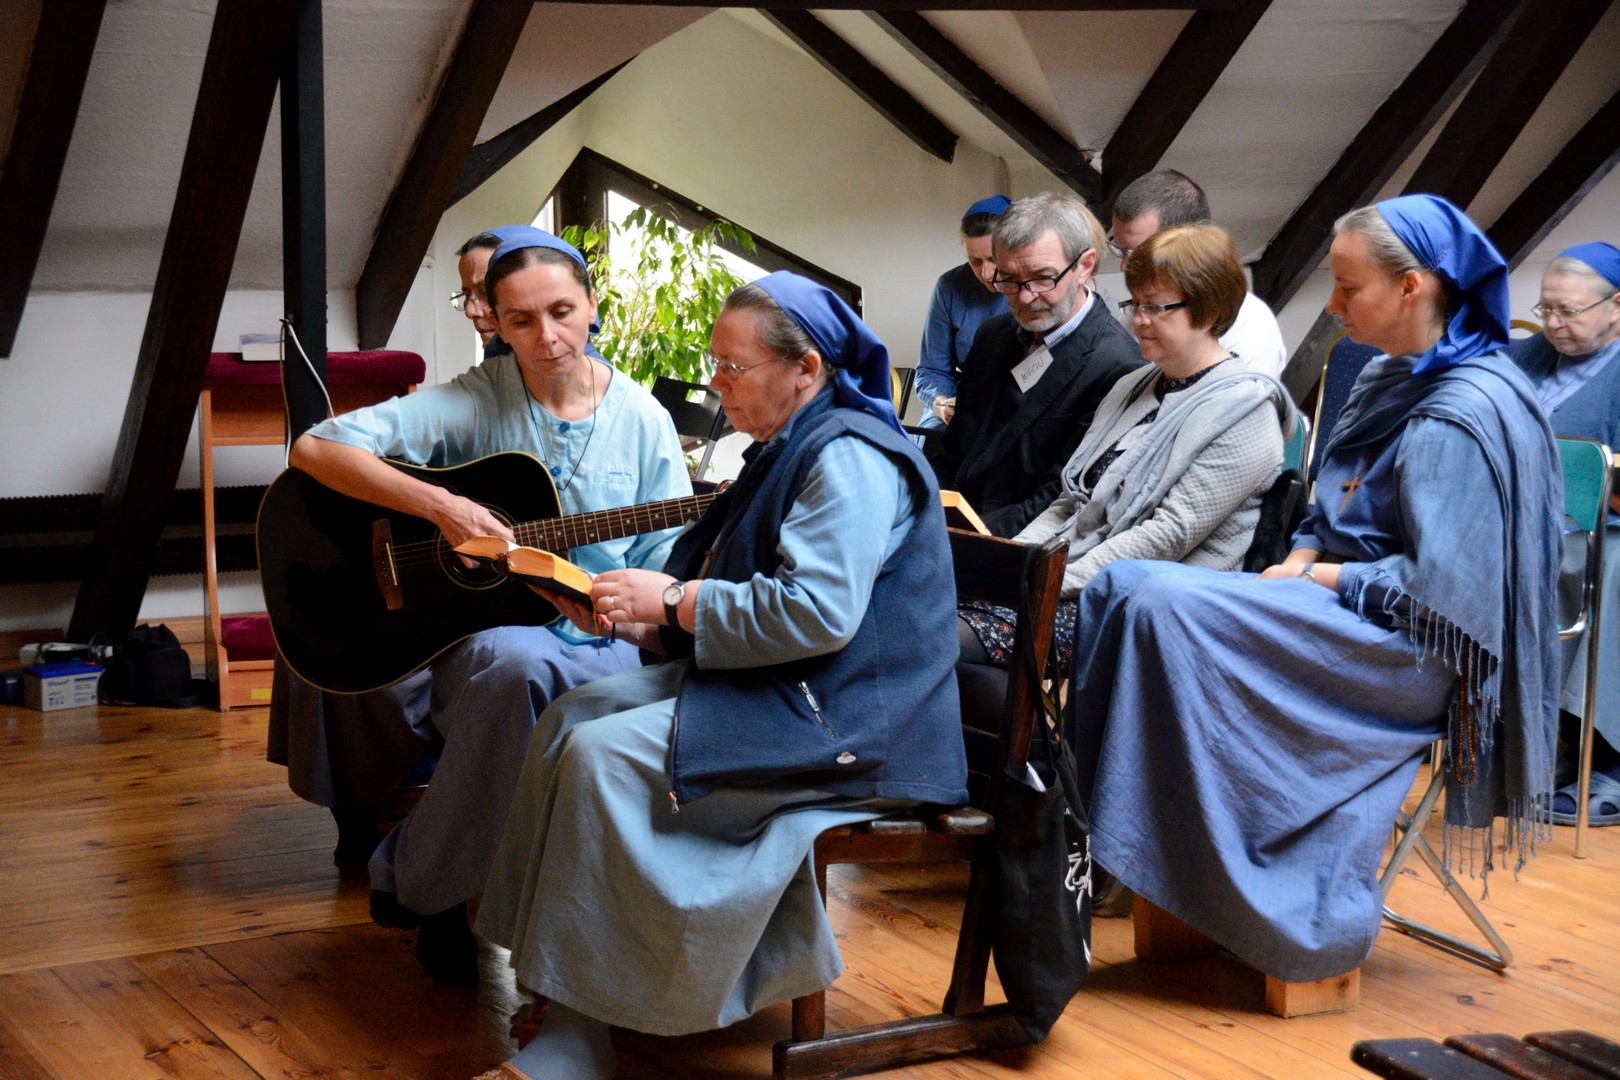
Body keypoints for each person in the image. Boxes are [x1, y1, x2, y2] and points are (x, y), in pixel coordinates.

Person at [471, 272, 964, 1080]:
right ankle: (555, 985)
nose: (715, 382)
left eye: (733, 367)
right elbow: (743, 601)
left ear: (805, 368)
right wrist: (630, 618)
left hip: (858, 723)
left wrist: (671, 600)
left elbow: (816, 613)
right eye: (716, 363)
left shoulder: (850, 458)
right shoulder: (786, 447)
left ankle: (584, 1032)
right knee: (571, 718)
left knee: (603, 757)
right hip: (800, 690)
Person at [1066, 194, 1560, 982]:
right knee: (1120, 590)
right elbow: (1329, 509)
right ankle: (1110, 852)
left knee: (1158, 603)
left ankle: (1203, 876)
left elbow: (1442, 598)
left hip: (1409, 652)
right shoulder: (1384, 379)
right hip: (1338, 609)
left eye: (1347, 287)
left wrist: (1315, 573)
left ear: (1411, 287)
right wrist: (1299, 555)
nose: (1332, 305)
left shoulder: (1470, 409)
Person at [285, 227, 691, 985]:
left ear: (592, 305)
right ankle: (439, 881)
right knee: (478, 658)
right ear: (496, 323)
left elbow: (665, 566)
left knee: (514, 668)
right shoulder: (476, 399)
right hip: (483, 628)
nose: (548, 337)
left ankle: (422, 882)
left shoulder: (643, 419)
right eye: (522, 321)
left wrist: (621, 608)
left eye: (563, 312)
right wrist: (440, 506)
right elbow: (313, 449)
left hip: (602, 634)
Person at [957, 223, 1293, 687]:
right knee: (921, 613)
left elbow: (1168, 534)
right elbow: (1070, 501)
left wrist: (1042, 582)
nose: (1138, 320)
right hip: (1078, 579)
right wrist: (1015, 561)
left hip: (1150, 606)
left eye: (1156, 307)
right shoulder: (1132, 385)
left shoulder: (1246, 411)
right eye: (1136, 304)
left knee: (938, 635)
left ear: (1210, 309)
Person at [929, 192, 1144, 538]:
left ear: (1085, 266)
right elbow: (952, 448)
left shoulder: (1118, 366)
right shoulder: (991, 335)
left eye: (1043, 278)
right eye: (1009, 279)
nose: (1025, 297)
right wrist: (925, 510)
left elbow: (1062, 497)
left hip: (1014, 544)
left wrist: (965, 536)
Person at [1510, 241, 1620, 825]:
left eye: (1568, 311)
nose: (1552, 324)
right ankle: (1517, 736)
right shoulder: (1526, 355)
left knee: (1604, 564)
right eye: (1545, 308)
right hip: (1520, 516)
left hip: (1599, 525)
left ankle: (1601, 754)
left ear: (1616, 306)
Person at [1110, 169, 1287, 378]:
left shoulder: (1250, 328)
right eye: (1120, 250)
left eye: (1137, 252)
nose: (1124, 266)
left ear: (1185, 239)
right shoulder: (1137, 312)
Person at [914, 194, 1011, 429]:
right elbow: (931, 369)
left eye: (993, 259)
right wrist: (942, 404)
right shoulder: (949, 287)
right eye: (975, 261)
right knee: (931, 437)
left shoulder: (1033, 288)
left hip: (1015, 403)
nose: (986, 273)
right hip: (964, 399)